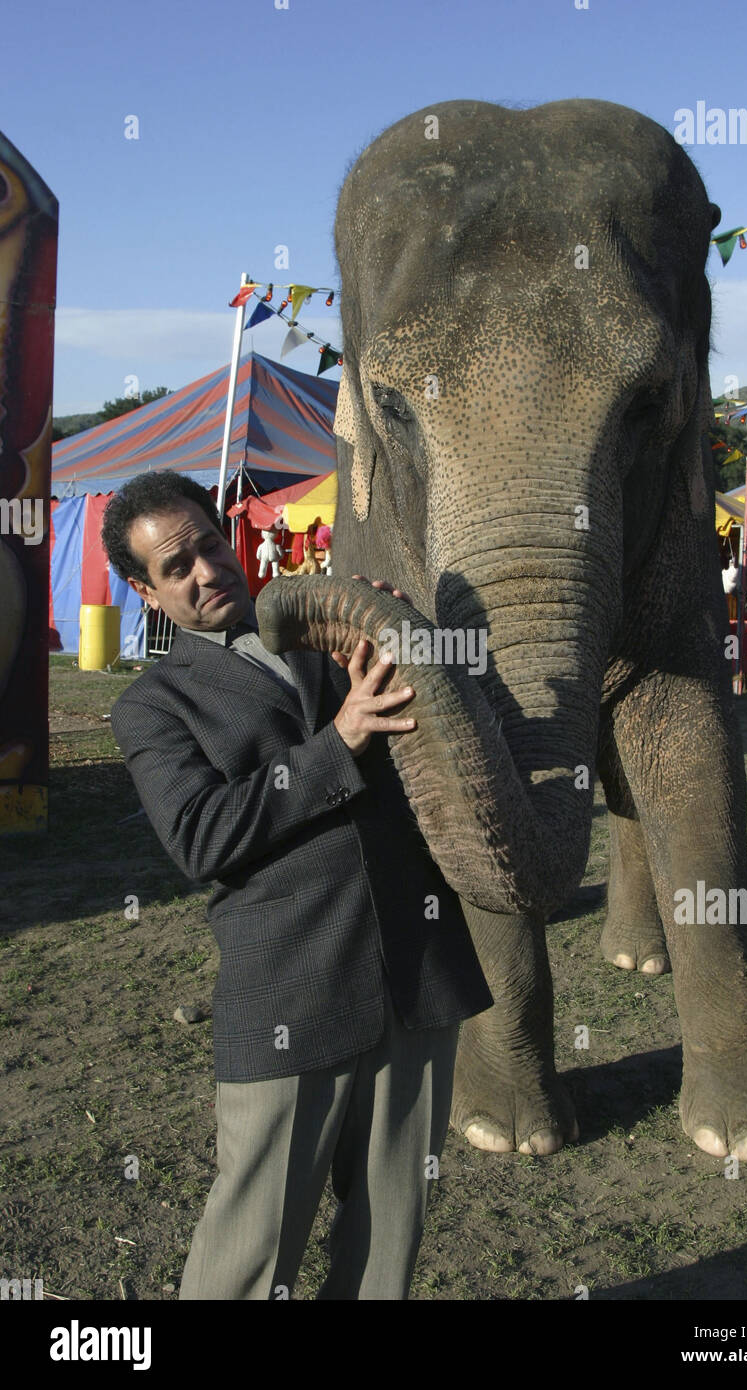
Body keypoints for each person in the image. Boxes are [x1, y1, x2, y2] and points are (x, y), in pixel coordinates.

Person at [101, 472, 493, 1300]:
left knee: (389, 1237)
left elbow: (439, 734)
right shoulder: (154, 703)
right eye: (178, 568)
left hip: (417, 972)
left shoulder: (321, 629)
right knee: (250, 1249)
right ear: (146, 591)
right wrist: (337, 743)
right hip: (290, 994)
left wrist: (394, 636)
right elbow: (201, 836)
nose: (208, 571)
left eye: (209, 543)